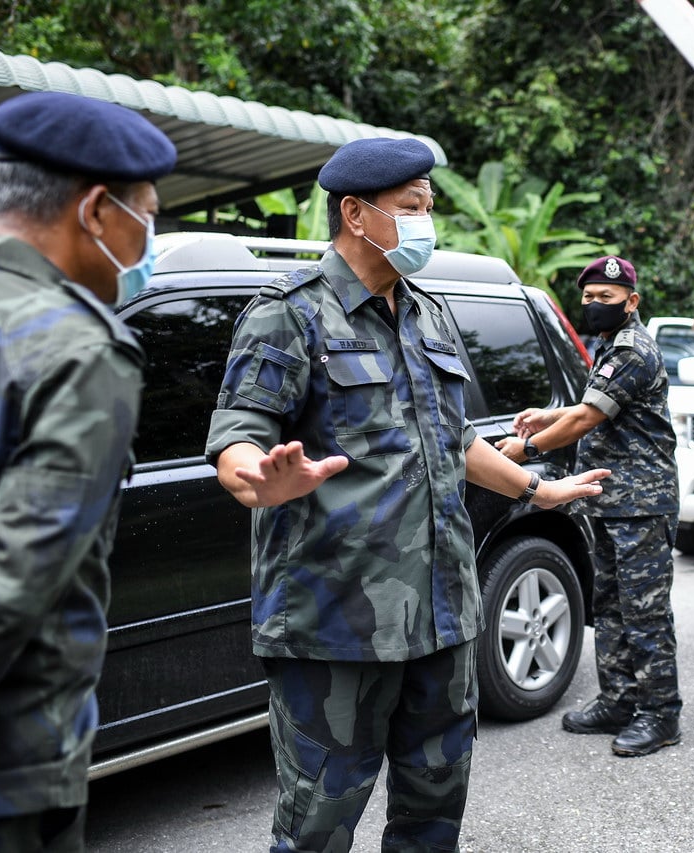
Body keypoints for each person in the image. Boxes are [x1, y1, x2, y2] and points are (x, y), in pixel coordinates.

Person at [204, 138, 609, 853]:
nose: (428, 222)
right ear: (355, 214)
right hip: (337, 628)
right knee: (316, 830)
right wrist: (258, 478)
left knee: (432, 820)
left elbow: (454, 441)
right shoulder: (289, 314)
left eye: (430, 207)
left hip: (444, 619)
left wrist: (535, 488)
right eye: (413, 207)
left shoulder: (429, 314)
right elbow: (238, 434)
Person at [0, 92, 176, 851]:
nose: (150, 237)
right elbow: (13, 585)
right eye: (147, 214)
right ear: (95, 210)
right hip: (1, 770)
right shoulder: (78, 350)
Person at [496, 255, 682, 758]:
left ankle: (660, 714)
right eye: (589, 298)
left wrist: (526, 450)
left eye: (607, 298)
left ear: (632, 301)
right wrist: (547, 413)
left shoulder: (633, 349)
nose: (596, 306)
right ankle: (620, 700)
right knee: (611, 607)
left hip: (641, 504)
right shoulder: (609, 346)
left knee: (645, 613)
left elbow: (586, 418)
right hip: (609, 500)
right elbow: (589, 405)